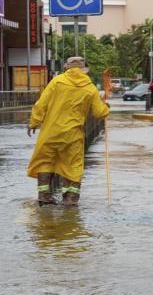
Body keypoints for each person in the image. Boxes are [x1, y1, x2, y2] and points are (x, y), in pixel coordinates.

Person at [27, 57, 110, 206]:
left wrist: (34, 122)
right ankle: (70, 200)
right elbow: (99, 113)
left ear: (67, 68)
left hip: (51, 132)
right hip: (73, 135)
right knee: (73, 166)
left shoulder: (57, 81)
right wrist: (106, 108)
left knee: (45, 162)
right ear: (84, 70)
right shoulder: (90, 87)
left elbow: (41, 104)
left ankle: (44, 197)